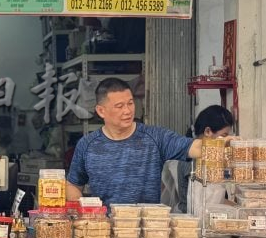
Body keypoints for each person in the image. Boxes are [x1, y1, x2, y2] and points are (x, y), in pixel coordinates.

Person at [67, 78, 202, 207]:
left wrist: (220, 144)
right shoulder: (87, 145)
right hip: (104, 225)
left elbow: (194, 147)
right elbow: (73, 185)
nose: (127, 111)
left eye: (130, 103)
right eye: (119, 106)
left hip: (146, 225)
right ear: (101, 111)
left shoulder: (155, 137)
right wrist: (83, 207)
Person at [162, 104, 234, 213]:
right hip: (191, 220)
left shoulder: (212, 158)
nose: (227, 141)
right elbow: (201, 203)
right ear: (208, 131)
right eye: (224, 136)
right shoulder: (192, 159)